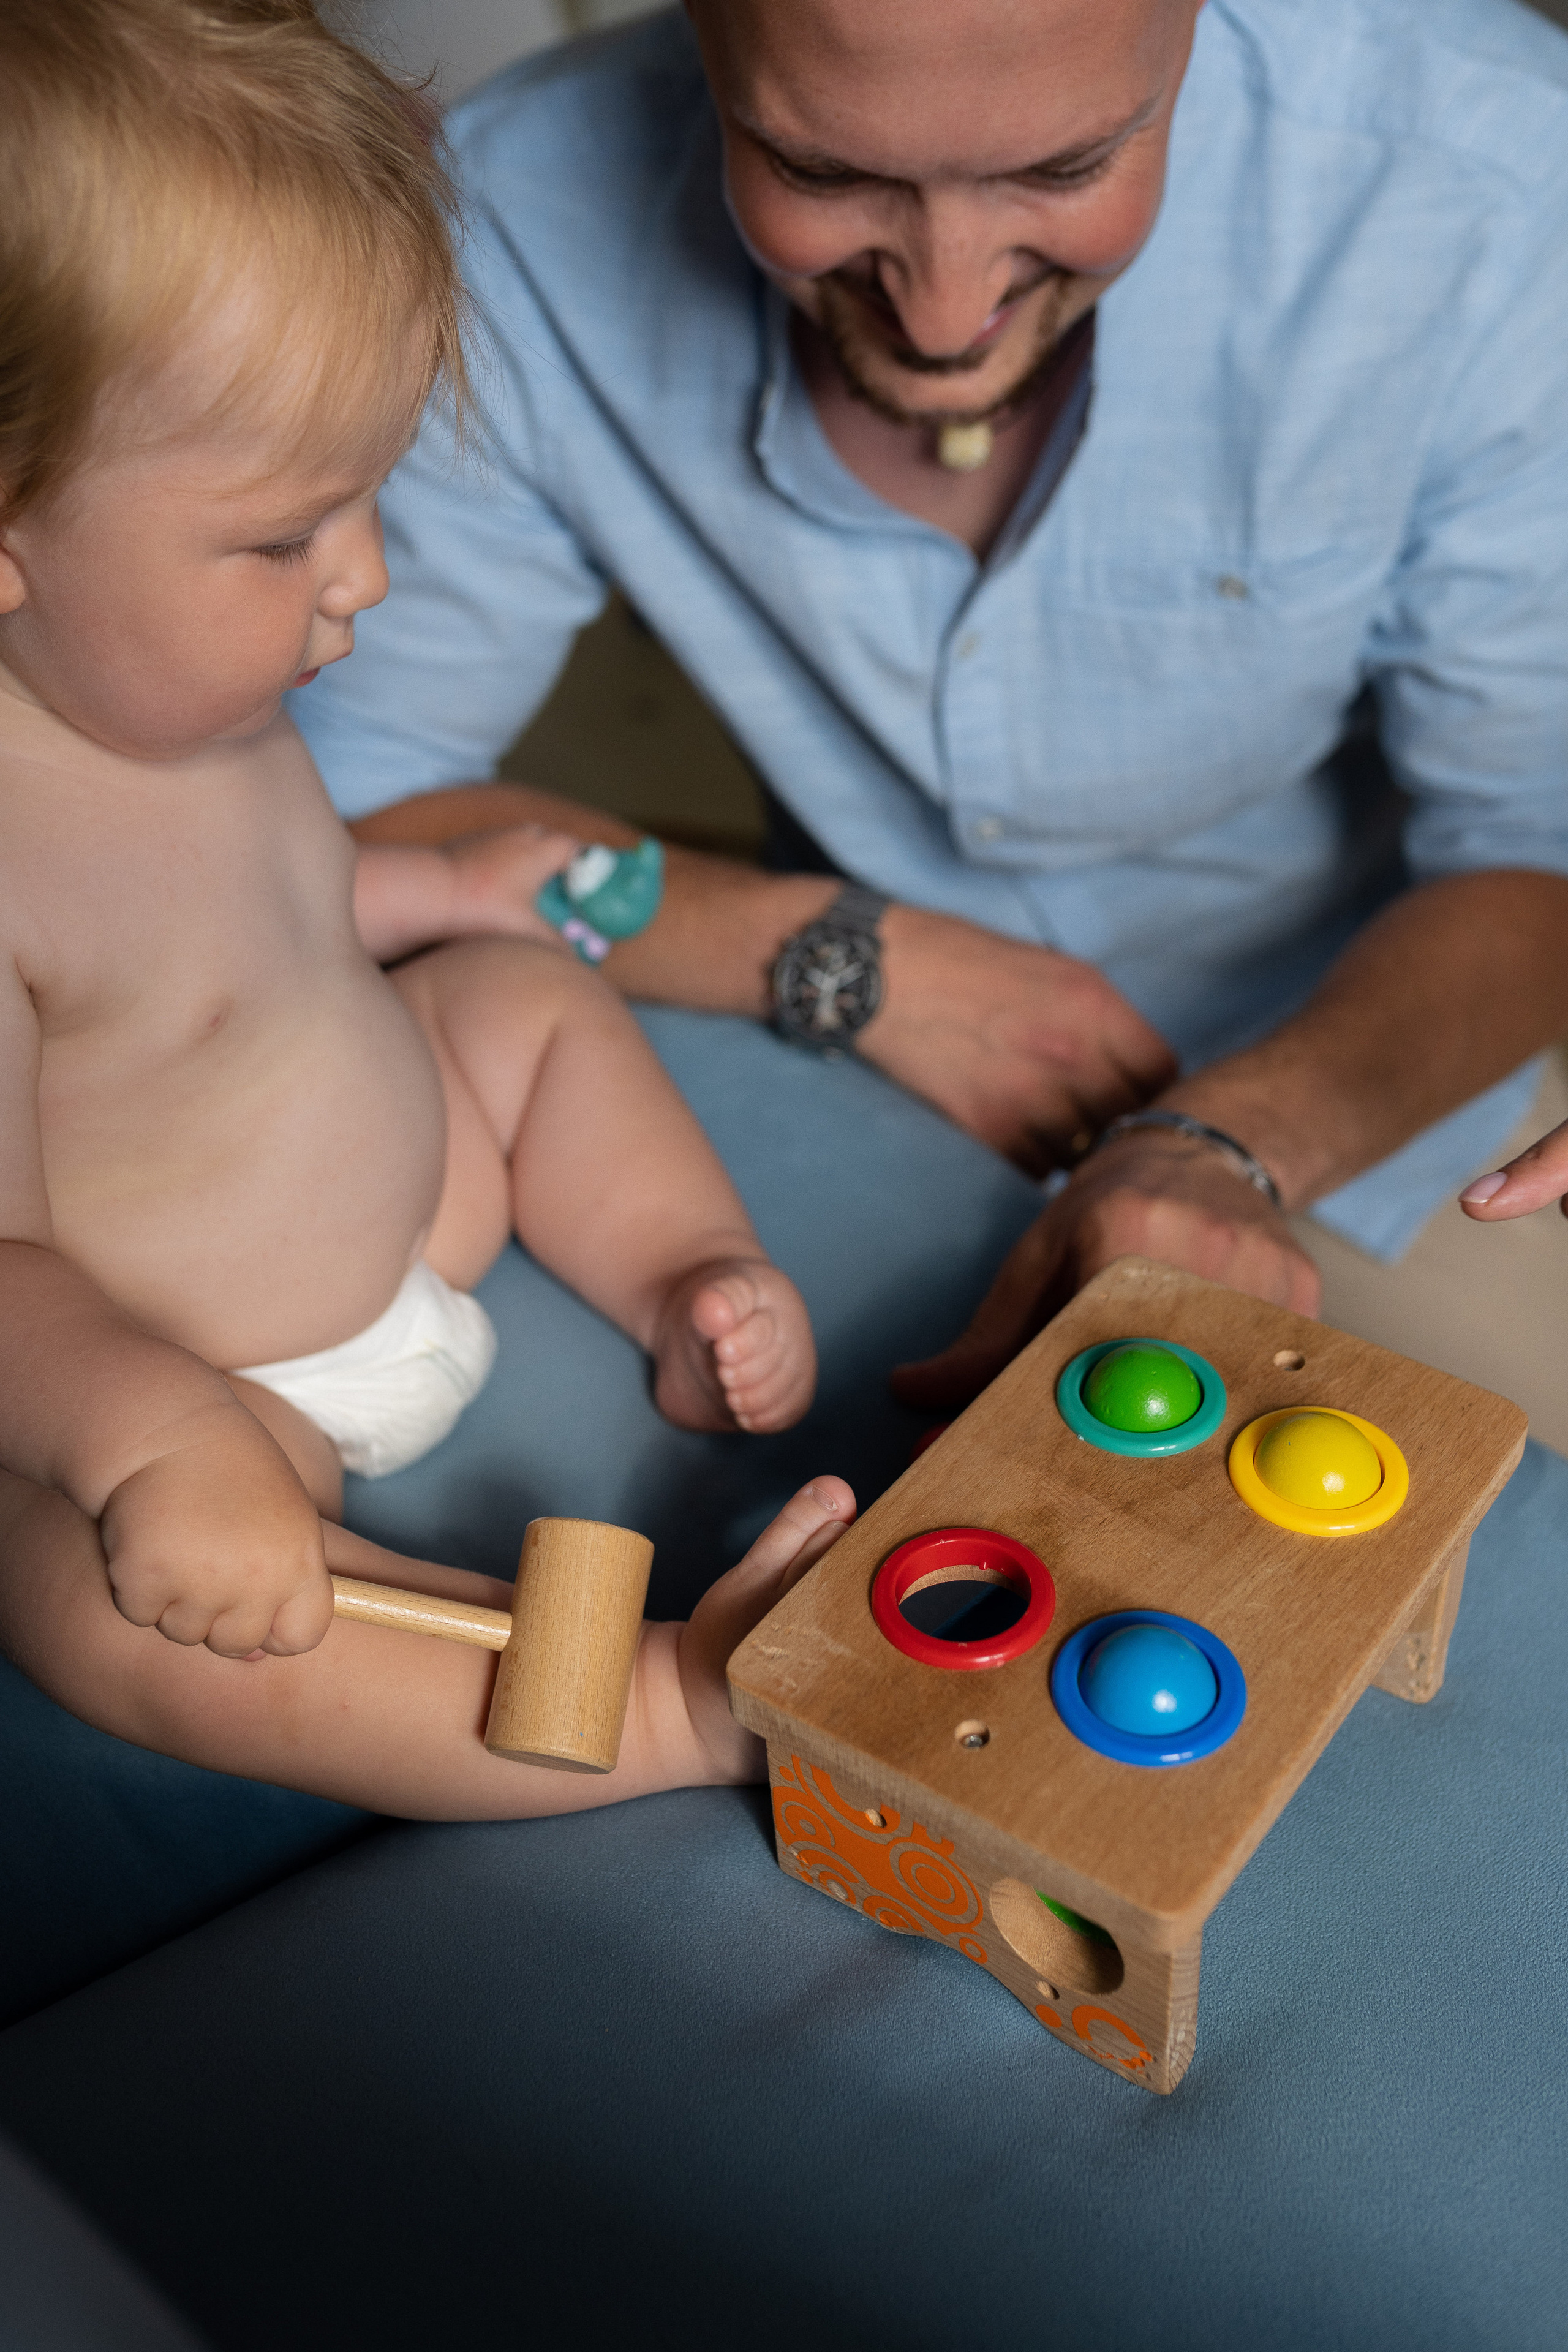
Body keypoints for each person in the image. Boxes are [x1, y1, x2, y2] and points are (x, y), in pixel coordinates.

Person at [300, 0, 1568, 1419]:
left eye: (1066, 169)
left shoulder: (1495, 173)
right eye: (825, 176)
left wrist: (1228, 1143)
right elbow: (333, 805)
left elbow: (1532, 841)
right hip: (822, 1049)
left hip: (1380, 1089)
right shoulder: (512, 219)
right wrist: (825, 956)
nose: (943, 310)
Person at [0, 0, 845, 1819]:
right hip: (237, 1385)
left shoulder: (166, 680)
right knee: (98, 1612)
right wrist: (158, 1443)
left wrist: (443, 886)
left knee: (520, 998)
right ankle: (670, 1700)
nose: (362, 580)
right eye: (285, 537)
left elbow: (267, 924)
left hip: (417, 1193)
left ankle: (683, 1278)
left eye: (368, 498)